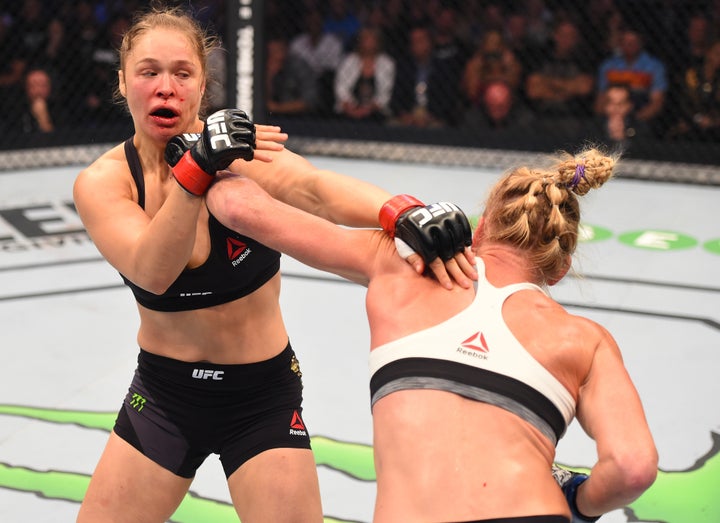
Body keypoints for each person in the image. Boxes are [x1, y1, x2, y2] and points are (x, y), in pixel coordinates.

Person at [72, 5, 471, 523]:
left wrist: (400, 210)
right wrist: (196, 170)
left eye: (182, 73)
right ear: (124, 82)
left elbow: (316, 190)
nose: (165, 87)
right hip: (166, 397)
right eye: (149, 72)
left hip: (259, 397)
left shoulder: (240, 154)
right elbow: (153, 270)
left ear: (201, 85)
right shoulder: (105, 182)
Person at [206, 147, 658, 522]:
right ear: (559, 269)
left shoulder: (401, 265)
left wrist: (203, 155)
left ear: (479, 230)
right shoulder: (584, 339)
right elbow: (633, 469)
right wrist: (579, 500)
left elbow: (239, 207)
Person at [594, 27, 668, 134]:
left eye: (633, 42)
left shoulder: (654, 66)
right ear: (620, 43)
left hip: (641, 117)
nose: (629, 45)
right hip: (611, 114)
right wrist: (613, 117)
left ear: (641, 43)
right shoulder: (608, 65)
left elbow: (657, 103)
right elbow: (600, 101)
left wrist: (634, 121)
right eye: (625, 41)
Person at [334, 25, 396, 122]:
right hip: (350, 109)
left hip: (375, 111)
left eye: (372, 38)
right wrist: (351, 109)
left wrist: (367, 110)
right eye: (365, 38)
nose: (368, 42)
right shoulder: (348, 61)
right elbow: (341, 88)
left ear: (378, 42)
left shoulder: (387, 64)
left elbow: (385, 94)